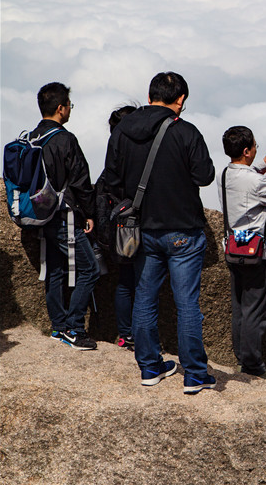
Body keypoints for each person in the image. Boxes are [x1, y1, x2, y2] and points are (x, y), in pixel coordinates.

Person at [104, 72, 216, 394]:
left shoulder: (123, 130)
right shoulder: (186, 131)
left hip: (141, 229)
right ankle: (195, 374)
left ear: (150, 95)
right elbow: (205, 176)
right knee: (187, 304)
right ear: (180, 99)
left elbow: (111, 180)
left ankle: (150, 367)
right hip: (183, 229)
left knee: (144, 298)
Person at [219, 126, 266, 382]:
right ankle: (253, 365)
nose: (255, 149)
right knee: (255, 311)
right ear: (246, 151)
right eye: (254, 146)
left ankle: (242, 358)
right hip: (258, 253)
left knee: (240, 308)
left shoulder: (225, 174)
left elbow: (247, 182)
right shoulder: (254, 181)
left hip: (234, 248)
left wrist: (262, 164)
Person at [30, 82, 100, 351]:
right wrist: (89, 213)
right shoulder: (65, 139)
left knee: (55, 269)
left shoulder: (31, 137)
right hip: (63, 215)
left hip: (40, 213)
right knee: (90, 268)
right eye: (69, 105)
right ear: (61, 108)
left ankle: (58, 326)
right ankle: (73, 328)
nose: (70, 109)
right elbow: (81, 181)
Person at [94, 104, 138, 350]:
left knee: (126, 280)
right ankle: (139, 334)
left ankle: (125, 334)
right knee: (141, 281)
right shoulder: (135, 161)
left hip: (117, 233)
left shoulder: (110, 165)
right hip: (138, 229)